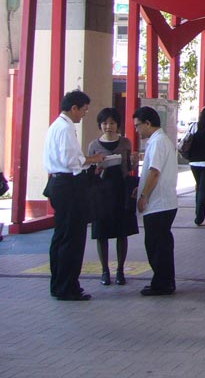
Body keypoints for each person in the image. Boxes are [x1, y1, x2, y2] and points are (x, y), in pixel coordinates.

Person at [43, 90, 104, 301]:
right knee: (72, 237)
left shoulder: (56, 126)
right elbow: (71, 160)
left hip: (58, 183)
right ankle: (67, 286)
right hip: (68, 185)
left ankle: (59, 283)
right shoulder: (66, 128)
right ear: (74, 108)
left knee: (61, 236)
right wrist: (93, 158)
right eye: (83, 111)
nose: (83, 116)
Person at [86, 107, 138, 286]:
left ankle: (120, 270)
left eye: (112, 123)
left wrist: (133, 162)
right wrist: (97, 168)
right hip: (101, 192)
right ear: (100, 125)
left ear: (118, 124)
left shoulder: (125, 143)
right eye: (105, 123)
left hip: (120, 190)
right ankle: (104, 271)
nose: (109, 126)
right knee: (102, 232)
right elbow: (89, 171)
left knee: (121, 231)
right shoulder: (94, 145)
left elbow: (129, 169)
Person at [134, 106, 178, 296]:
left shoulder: (159, 142)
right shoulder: (159, 141)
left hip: (159, 204)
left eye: (138, 126)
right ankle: (164, 281)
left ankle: (162, 283)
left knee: (157, 246)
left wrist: (144, 196)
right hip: (164, 202)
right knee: (161, 245)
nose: (137, 130)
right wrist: (141, 188)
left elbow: (155, 171)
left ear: (148, 123)